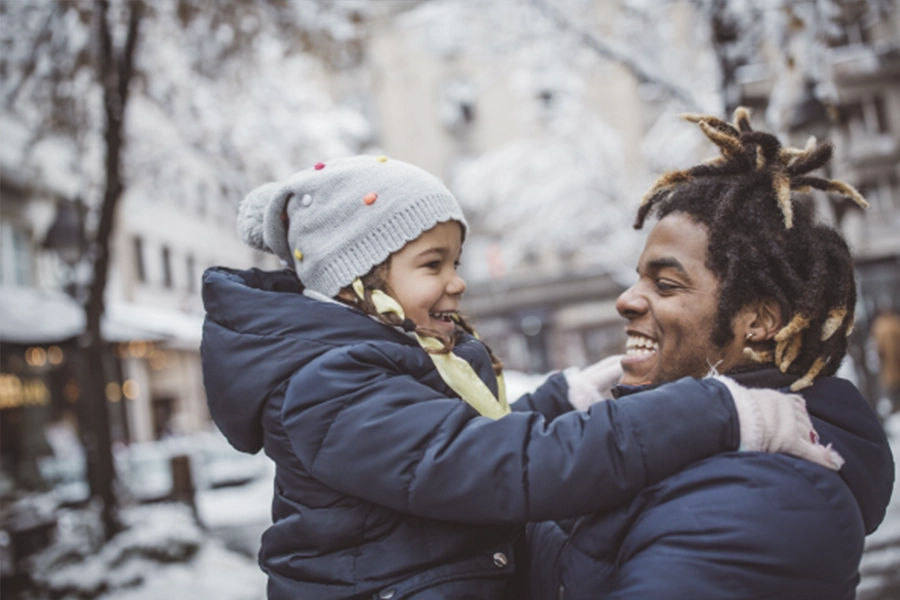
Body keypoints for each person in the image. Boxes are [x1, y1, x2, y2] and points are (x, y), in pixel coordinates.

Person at [200, 155, 833, 599]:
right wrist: (717, 410)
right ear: (357, 281)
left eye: (456, 260)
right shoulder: (331, 385)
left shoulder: (394, 363)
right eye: (432, 264)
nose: (458, 281)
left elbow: (470, 443)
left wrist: (569, 396)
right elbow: (499, 464)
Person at [527, 109, 895, 599]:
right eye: (639, 278)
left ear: (760, 323)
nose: (628, 300)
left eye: (665, 283)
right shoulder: (678, 456)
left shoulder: (764, 499)